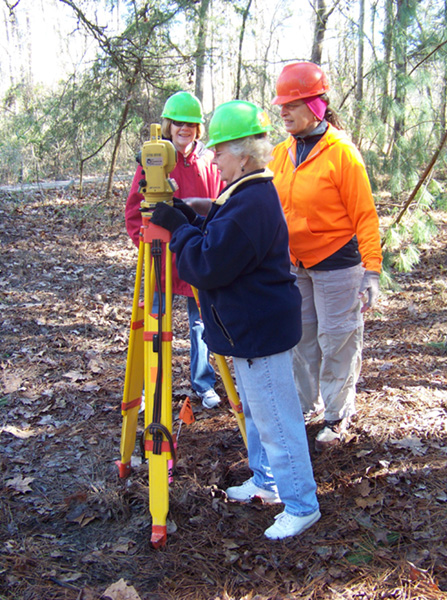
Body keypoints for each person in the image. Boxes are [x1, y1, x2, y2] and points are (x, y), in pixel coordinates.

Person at [149, 100, 320, 541]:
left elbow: (207, 264)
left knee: (278, 421)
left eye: (220, 151)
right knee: (263, 418)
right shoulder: (246, 194)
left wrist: (178, 229)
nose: (214, 159)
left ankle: (301, 504)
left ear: (242, 154)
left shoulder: (252, 202)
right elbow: (217, 233)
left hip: (259, 331)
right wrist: (188, 215)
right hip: (250, 329)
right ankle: (266, 482)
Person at [269, 62, 383, 451]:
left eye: (292, 104)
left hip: (337, 263)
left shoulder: (341, 154)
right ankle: (306, 405)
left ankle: (337, 415)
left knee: (337, 339)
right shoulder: (282, 153)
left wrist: (372, 272)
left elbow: (365, 215)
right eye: (281, 104)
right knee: (301, 339)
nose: (283, 111)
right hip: (296, 264)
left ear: (316, 105)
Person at [125, 91, 224, 409]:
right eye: (178, 123)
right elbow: (133, 211)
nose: (184, 129)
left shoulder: (208, 163)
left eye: (191, 124)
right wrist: (146, 242)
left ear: (198, 128)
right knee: (155, 320)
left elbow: (219, 207)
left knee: (201, 322)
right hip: (160, 258)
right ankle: (150, 388)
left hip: (197, 255)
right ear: (168, 125)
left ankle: (203, 383)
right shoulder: (153, 160)